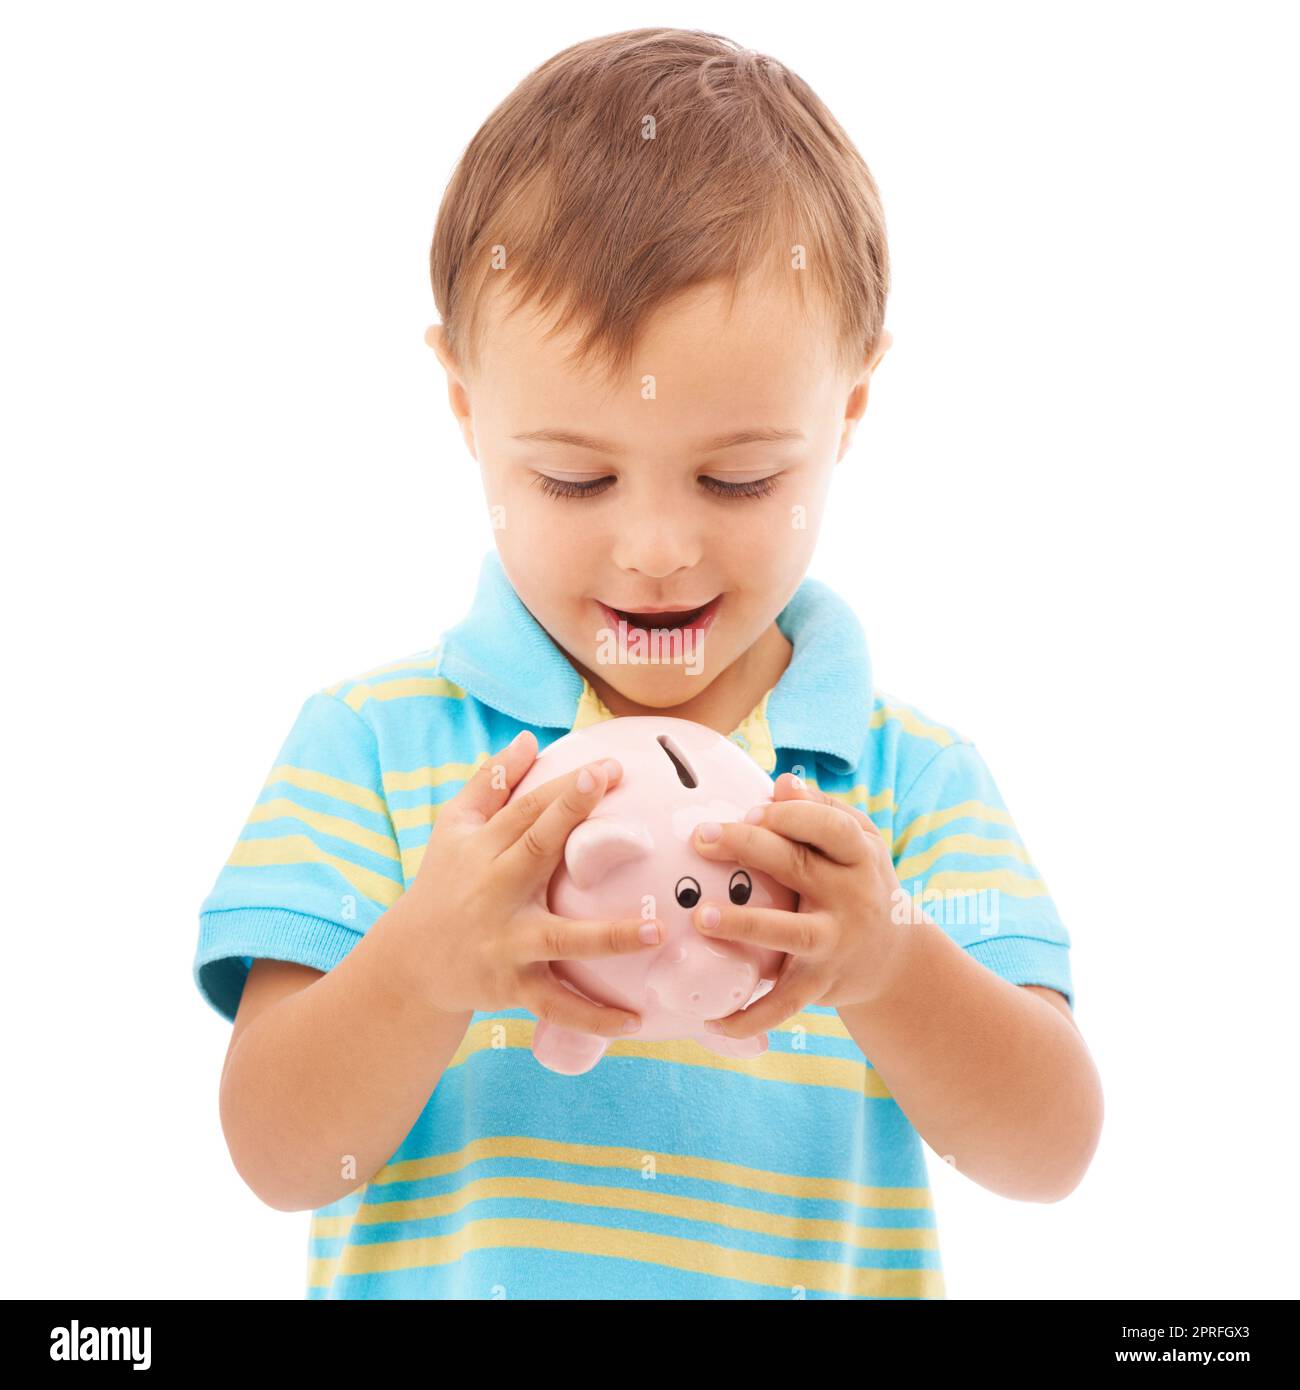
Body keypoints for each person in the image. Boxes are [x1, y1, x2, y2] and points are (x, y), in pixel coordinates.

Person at [194, 26, 1103, 1299]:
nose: (659, 550)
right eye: (575, 476)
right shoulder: (375, 744)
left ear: (846, 410)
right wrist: (424, 963)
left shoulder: (904, 779)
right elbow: (276, 1151)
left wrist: (892, 959)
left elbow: (1048, 1149)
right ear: (466, 408)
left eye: (739, 477)